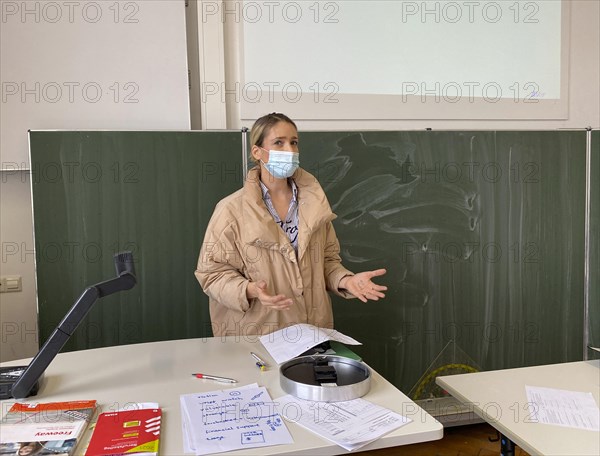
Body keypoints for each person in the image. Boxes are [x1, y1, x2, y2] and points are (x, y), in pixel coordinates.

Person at [195, 113, 387, 337]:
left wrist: (346, 280)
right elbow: (212, 273)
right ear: (257, 152)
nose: (290, 150)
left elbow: (326, 262)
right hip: (258, 336)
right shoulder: (231, 211)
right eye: (279, 142)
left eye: (294, 142)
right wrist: (249, 289)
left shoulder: (314, 205)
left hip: (311, 333)